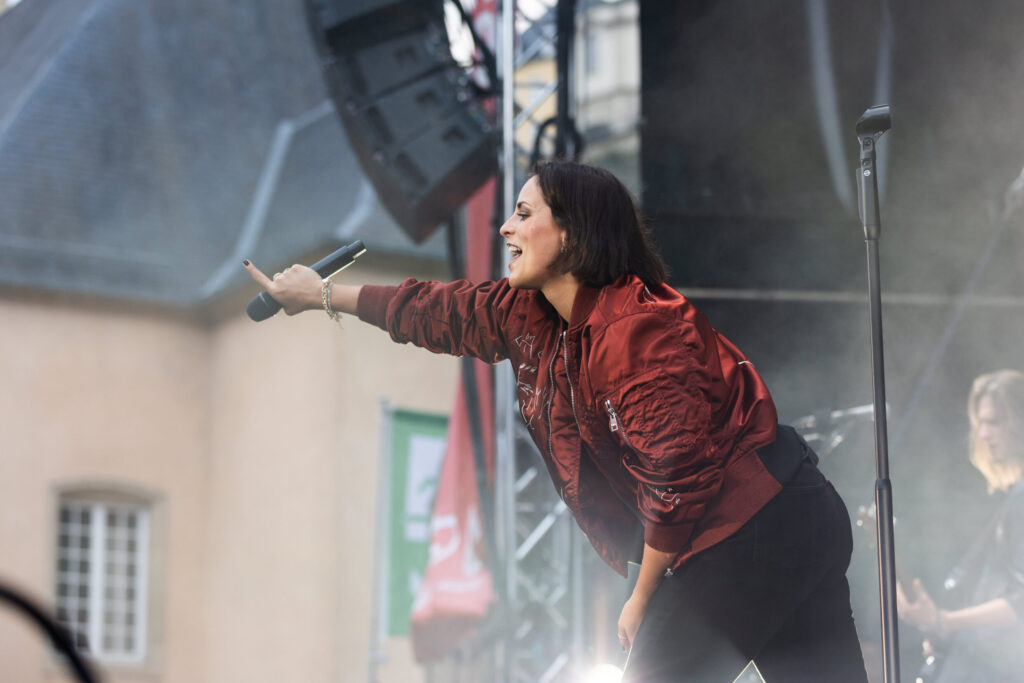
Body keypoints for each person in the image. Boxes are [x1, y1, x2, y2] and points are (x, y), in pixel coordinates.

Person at [244, 161, 868, 682]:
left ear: (571, 234)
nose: (505, 227)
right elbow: (438, 312)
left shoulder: (636, 329)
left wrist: (644, 595)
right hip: (778, 525)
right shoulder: (527, 314)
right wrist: (321, 294)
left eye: (523, 212)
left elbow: (680, 482)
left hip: (756, 527)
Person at [897, 369, 1024, 682]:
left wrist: (945, 621)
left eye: (994, 422)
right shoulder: (1012, 496)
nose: (982, 434)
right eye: (980, 423)